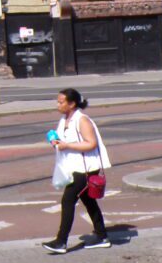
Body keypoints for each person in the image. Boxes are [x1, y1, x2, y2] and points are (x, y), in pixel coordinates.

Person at [42, 88, 111, 254]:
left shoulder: (82, 120)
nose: (58, 105)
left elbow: (91, 143)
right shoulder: (65, 119)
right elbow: (63, 140)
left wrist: (67, 145)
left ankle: (61, 241)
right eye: (57, 102)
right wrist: (55, 141)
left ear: (72, 104)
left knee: (67, 201)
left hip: (85, 170)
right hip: (73, 168)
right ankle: (102, 236)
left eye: (61, 102)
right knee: (88, 201)